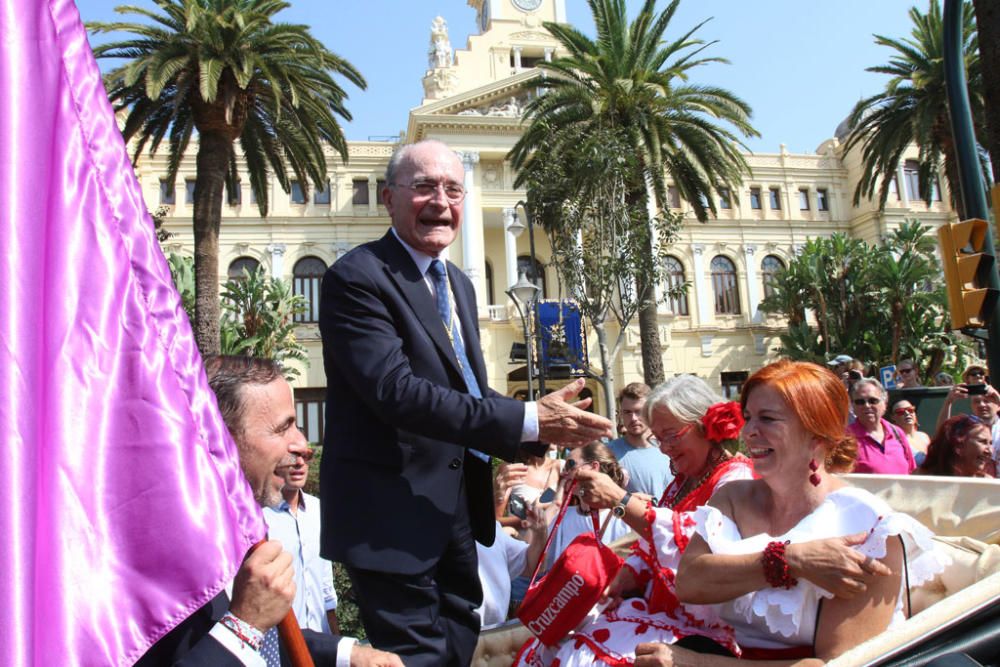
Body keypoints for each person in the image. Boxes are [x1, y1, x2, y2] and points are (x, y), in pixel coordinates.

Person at [318, 139, 613, 666]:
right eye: (424, 187)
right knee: (420, 657)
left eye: (453, 189)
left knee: (458, 646)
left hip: (459, 517)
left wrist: (541, 426)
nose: (441, 202)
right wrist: (524, 416)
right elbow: (396, 391)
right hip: (393, 519)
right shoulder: (356, 277)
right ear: (388, 197)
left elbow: (466, 392)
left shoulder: (457, 283)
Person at [636, 359, 947, 665]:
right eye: (748, 417)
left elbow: (835, 663)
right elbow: (690, 583)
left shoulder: (869, 526)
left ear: (816, 433)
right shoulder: (733, 497)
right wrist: (790, 560)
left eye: (768, 419)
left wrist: (698, 664)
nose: (750, 431)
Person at [138, 356, 401, 667]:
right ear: (219, 439)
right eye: (283, 428)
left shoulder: (230, 533)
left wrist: (350, 654)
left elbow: (266, 642)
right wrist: (244, 625)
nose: (302, 444)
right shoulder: (148, 562)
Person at [514, 376, 755, 666]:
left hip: (704, 629)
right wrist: (623, 578)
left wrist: (618, 501)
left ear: (705, 426)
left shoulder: (735, 477)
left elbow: (694, 541)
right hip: (660, 611)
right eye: (658, 438)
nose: (664, 448)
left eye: (672, 435)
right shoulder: (682, 482)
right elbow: (652, 542)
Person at [264, 447, 340, 635]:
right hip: (280, 645)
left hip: (321, 640)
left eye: (305, 456)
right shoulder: (259, 516)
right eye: (292, 456)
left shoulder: (318, 509)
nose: (299, 463)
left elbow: (325, 585)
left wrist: (334, 638)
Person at [608, 382, 675, 499]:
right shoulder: (608, 453)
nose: (633, 418)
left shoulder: (672, 450)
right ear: (621, 414)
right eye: (627, 412)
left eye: (639, 411)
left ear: (650, 411)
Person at [846, 378, 916, 474]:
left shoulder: (897, 434)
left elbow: (911, 471)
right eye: (860, 402)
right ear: (853, 406)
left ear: (885, 403)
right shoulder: (846, 439)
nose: (866, 405)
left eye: (873, 400)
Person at [914, 414, 995, 478]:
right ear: (958, 444)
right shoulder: (922, 479)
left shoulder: (987, 485)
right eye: (982, 442)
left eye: (990, 443)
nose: (990, 451)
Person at [889, 399, 930, 467]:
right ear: (893, 417)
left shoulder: (924, 436)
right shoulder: (895, 440)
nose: (907, 413)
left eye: (910, 410)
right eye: (900, 412)